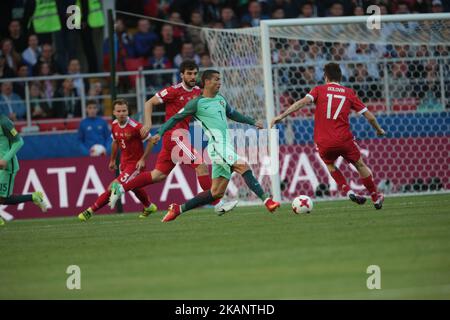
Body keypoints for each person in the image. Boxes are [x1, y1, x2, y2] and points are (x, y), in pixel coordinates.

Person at [141, 69, 280, 222]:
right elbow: (175, 118)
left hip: (227, 146)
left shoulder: (220, 99)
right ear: (207, 82)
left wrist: (252, 122)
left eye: (220, 80)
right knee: (243, 166)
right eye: (216, 79)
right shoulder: (196, 103)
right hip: (217, 147)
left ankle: (178, 209)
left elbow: (232, 114)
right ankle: (268, 200)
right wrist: (160, 132)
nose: (219, 82)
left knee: (216, 193)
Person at [108, 61, 238, 215]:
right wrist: (148, 124)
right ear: (181, 75)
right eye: (189, 73)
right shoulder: (173, 91)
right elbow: (149, 103)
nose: (192, 76)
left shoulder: (198, 92)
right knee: (200, 165)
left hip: (179, 136)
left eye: (195, 73)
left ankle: (120, 188)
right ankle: (218, 204)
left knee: (158, 175)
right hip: (175, 136)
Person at [271, 63, 386, 210]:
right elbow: (369, 117)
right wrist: (379, 129)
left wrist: (281, 116)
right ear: (341, 77)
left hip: (324, 141)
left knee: (330, 164)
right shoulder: (349, 93)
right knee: (360, 165)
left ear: (325, 77)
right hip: (344, 139)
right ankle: (375, 198)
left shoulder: (319, 90)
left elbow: (302, 103)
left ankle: (347, 190)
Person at [78, 99, 156, 221]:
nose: (122, 113)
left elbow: (152, 141)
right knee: (135, 187)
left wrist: (142, 159)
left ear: (128, 111)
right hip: (124, 163)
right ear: (114, 112)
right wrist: (113, 160)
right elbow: (115, 142)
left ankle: (90, 211)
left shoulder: (135, 127)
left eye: (124, 110)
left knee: (113, 187)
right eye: (119, 111)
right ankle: (149, 206)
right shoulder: (114, 124)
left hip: (135, 165)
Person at [0, 114, 47, 226]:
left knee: (2, 199)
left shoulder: (4, 122)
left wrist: (5, 159)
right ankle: (33, 197)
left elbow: (19, 141)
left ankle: (34, 197)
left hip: (7, 167)